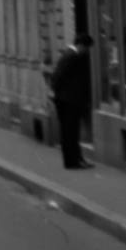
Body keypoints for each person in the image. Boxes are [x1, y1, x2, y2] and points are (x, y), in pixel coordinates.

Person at [48, 30, 94, 168]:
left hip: (65, 99)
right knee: (71, 131)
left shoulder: (68, 54)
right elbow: (60, 75)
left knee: (69, 131)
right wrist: (56, 92)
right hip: (69, 100)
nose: (87, 51)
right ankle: (72, 161)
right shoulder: (73, 56)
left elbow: (57, 74)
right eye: (86, 48)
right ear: (81, 45)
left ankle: (76, 158)